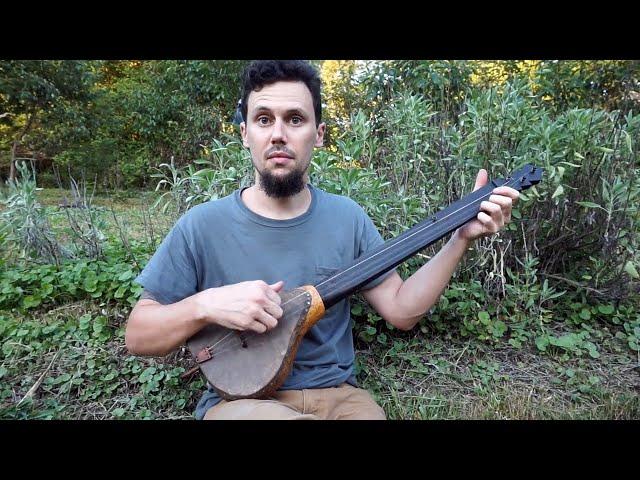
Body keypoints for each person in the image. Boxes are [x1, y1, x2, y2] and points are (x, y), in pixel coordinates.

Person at [125, 60, 519, 420]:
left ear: (319, 134)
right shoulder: (201, 226)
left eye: (295, 119)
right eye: (263, 119)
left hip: (340, 398)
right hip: (241, 403)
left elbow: (401, 311)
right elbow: (139, 335)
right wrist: (205, 305)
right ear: (245, 134)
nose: (278, 134)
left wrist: (460, 239)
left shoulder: (347, 218)